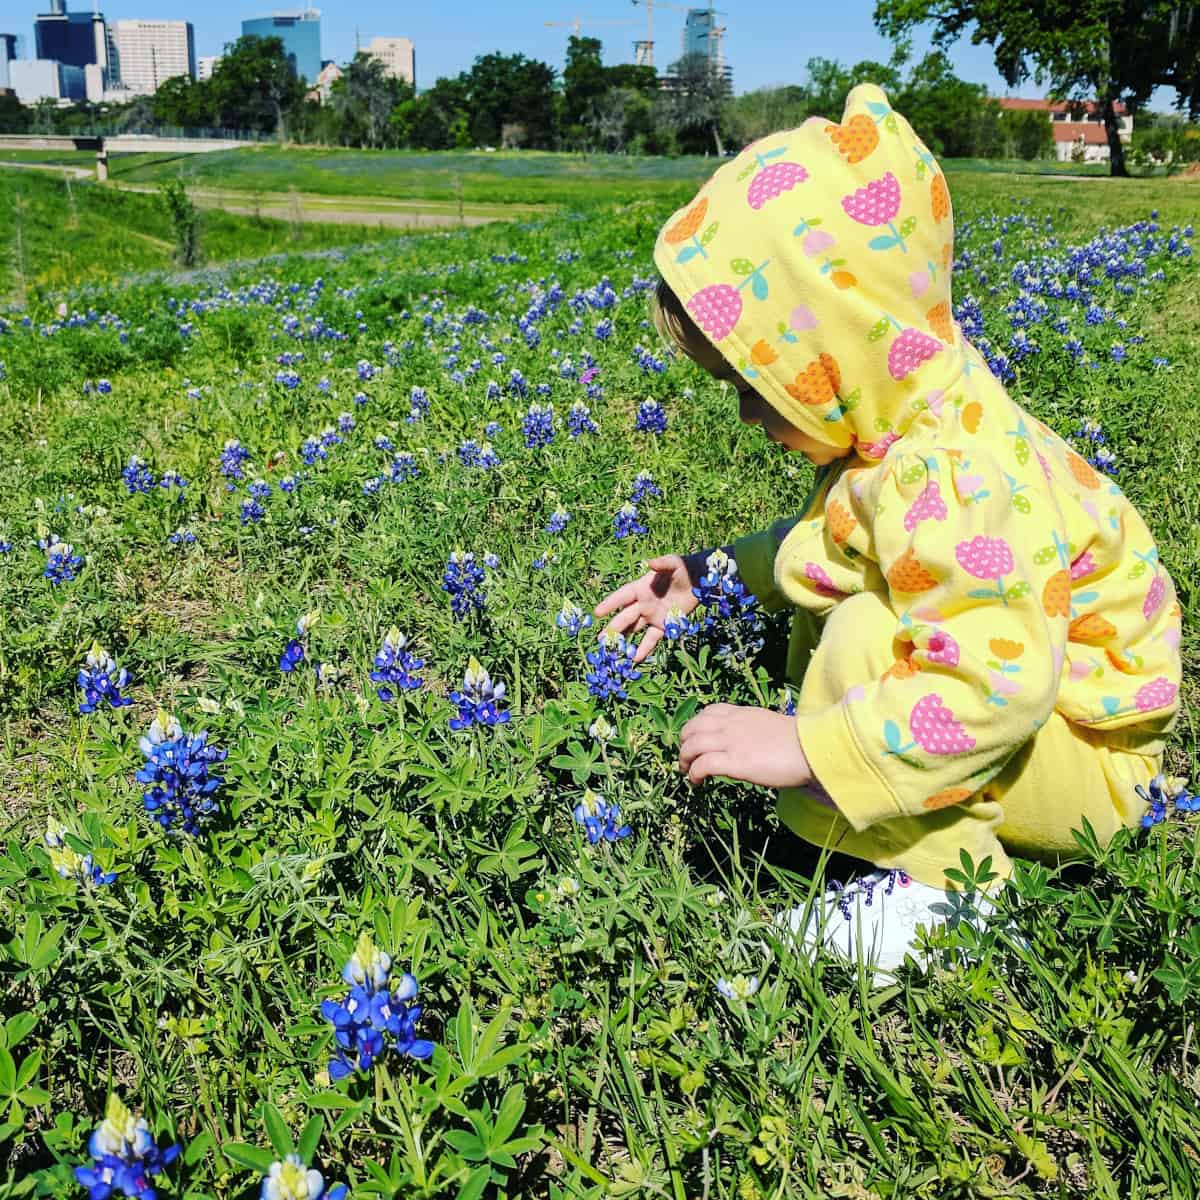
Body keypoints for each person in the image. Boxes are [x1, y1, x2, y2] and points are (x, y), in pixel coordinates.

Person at [594, 83, 1183, 981]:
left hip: (1092, 767)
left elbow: (996, 680)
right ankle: (899, 828)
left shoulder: (961, 475)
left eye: (758, 385)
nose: (749, 416)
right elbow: (835, 538)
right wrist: (712, 574)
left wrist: (809, 747)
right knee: (873, 599)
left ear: (838, 344)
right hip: (1042, 726)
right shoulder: (901, 427)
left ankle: (947, 897)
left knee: (876, 630)